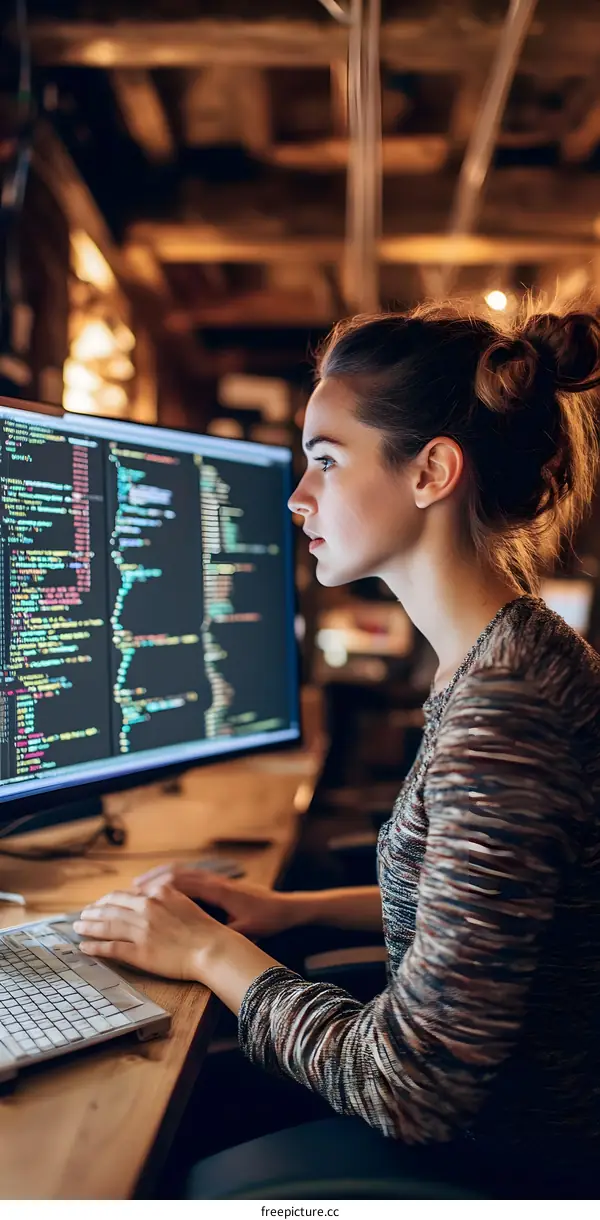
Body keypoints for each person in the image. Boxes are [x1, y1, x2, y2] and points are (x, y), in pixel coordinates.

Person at [73, 303, 600, 1198]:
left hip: (500, 1158)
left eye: (324, 459)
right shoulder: (508, 653)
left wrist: (209, 953)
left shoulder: (506, 710)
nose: (296, 496)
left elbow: (413, 1088)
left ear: (432, 469)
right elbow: (482, 906)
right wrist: (285, 911)